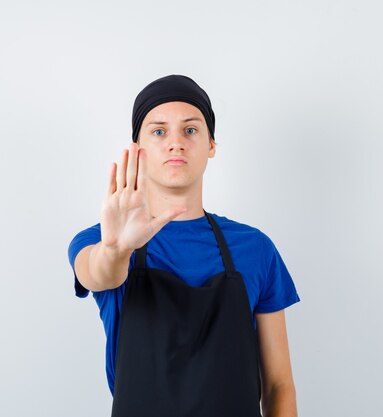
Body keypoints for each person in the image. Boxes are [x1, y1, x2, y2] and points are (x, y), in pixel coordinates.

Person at [68, 74, 300, 417]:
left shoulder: (256, 249)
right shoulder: (104, 239)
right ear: (138, 149)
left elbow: (279, 384)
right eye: (159, 131)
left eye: (190, 130)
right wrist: (117, 250)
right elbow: (97, 274)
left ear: (211, 145)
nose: (175, 143)